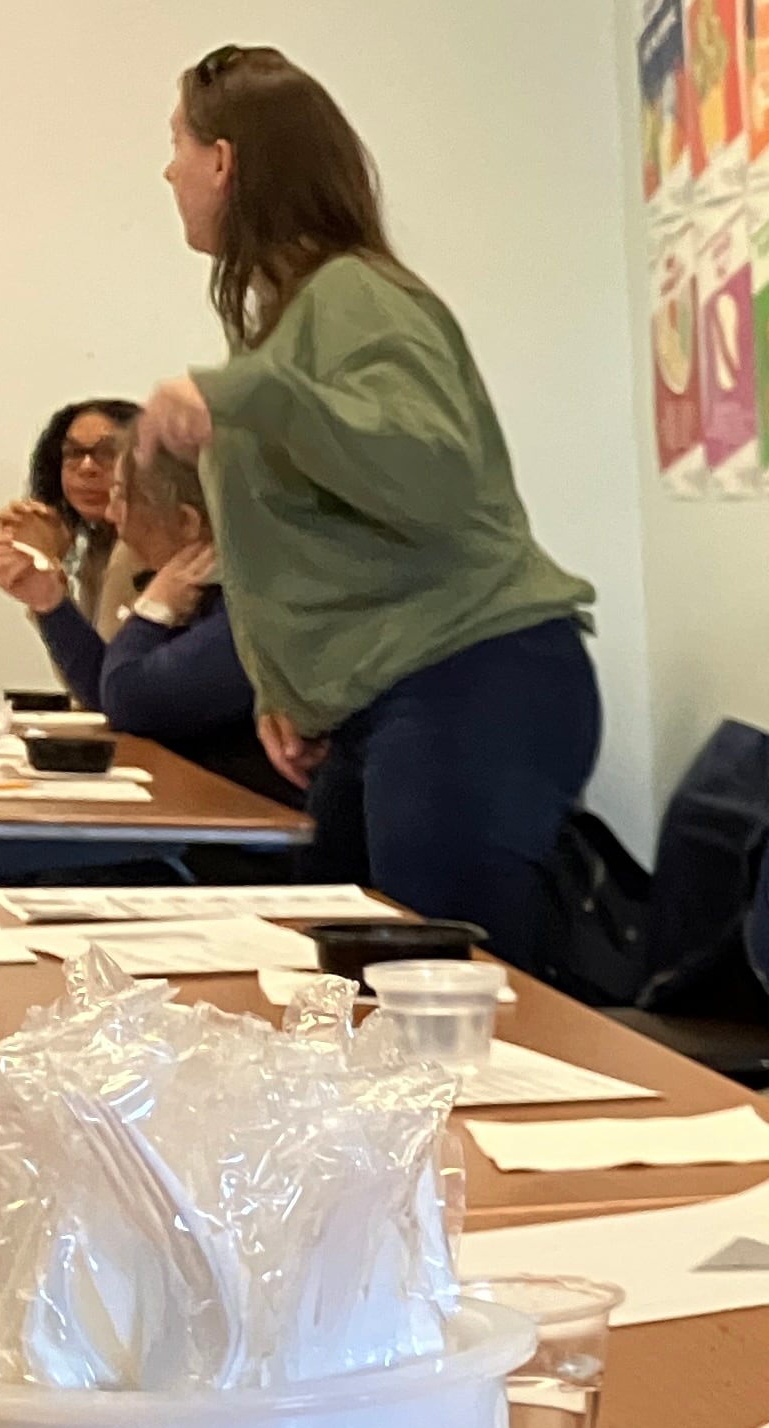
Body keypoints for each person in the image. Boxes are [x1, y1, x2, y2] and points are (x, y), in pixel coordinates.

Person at [135, 46, 598, 964]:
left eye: (176, 145)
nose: (168, 170)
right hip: (399, 698)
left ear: (224, 161)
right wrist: (285, 687)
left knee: (444, 1014)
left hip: (468, 682)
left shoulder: (354, 295)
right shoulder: (302, 311)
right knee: (355, 999)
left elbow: (429, 475)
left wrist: (242, 394)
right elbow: (323, 535)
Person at [0, 426, 294, 810]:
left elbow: (127, 699)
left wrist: (152, 612)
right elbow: (109, 691)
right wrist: (50, 602)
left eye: (121, 496)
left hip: (248, 844)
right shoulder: (205, 588)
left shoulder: (250, 609)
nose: (110, 513)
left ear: (187, 522)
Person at [0, 400, 142, 643]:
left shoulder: (137, 550)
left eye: (107, 452)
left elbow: (103, 678)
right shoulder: (93, 545)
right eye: (73, 453)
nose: (87, 466)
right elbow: (84, 675)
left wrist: (50, 600)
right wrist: (42, 573)